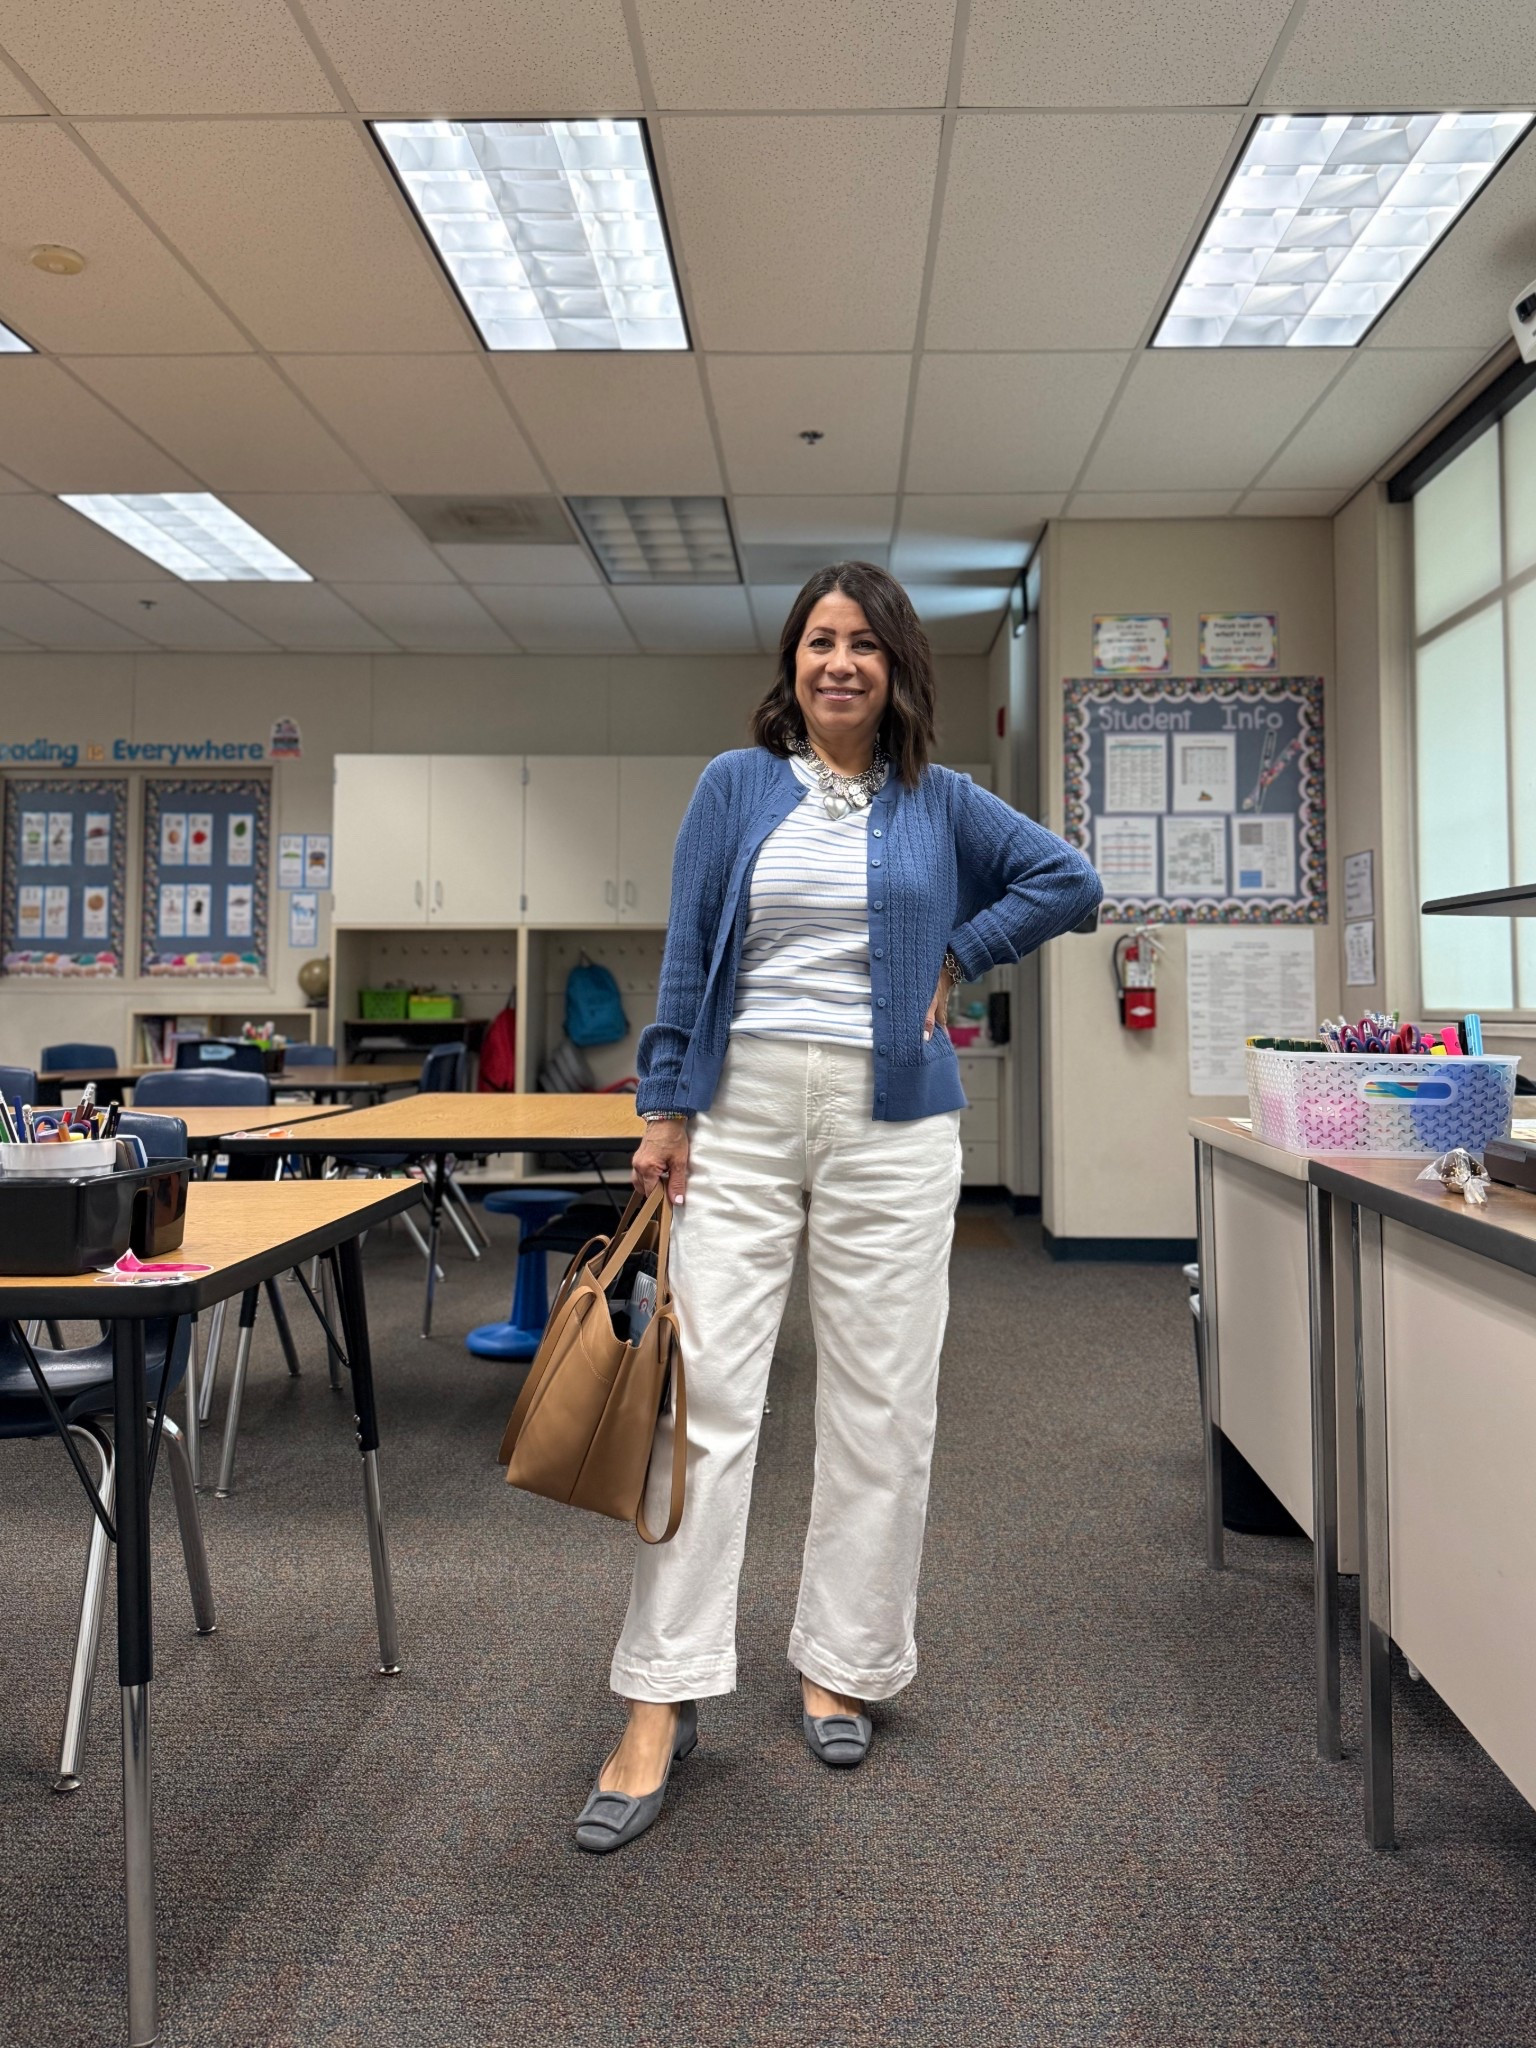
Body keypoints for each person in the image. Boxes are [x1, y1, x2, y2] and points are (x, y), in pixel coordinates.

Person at [573, 561, 1102, 1853]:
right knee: (705, 1402)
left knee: (884, 1402)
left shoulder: (942, 800)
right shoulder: (735, 785)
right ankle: (661, 1695)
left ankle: (843, 1663)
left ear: (896, 666)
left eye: (865, 643)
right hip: (745, 1107)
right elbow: (688, 951)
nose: (840, 662)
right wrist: (664, 1107)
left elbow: (1068, 882)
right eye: (820, 640)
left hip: (894, 1121)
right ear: (793, 663)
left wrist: (961, 952)